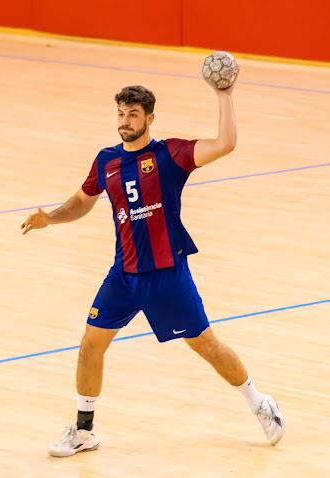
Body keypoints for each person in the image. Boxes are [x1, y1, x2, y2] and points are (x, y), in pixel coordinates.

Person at [21, 83, 285, 457]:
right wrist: (52, 218)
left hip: (167, 276)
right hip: (123, 276)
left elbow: (225, 143)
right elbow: (83, 202)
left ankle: (259, 402)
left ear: (149, 118)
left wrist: (224, 94)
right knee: (89, 346)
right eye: (121, 114)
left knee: (206, 346)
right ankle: (83, 431)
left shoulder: (171, 155)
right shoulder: (106, 160)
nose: (125, 121)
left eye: (133, 114)